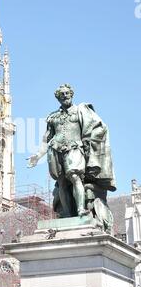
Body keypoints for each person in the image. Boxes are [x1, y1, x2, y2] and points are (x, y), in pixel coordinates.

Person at [27, 84, 116, 223]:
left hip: (74, 148)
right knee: (61, 182)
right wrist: (38, 156)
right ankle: (67, 215)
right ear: (57, 97)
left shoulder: (81, 111)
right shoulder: (53, 117)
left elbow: (99, 127)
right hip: (56, 150)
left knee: (75, 177)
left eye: (67, 93)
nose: (64, 96)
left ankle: (80, 209)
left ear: (71, 94)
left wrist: (89, 144)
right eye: (61, 94)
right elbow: (47, 138)